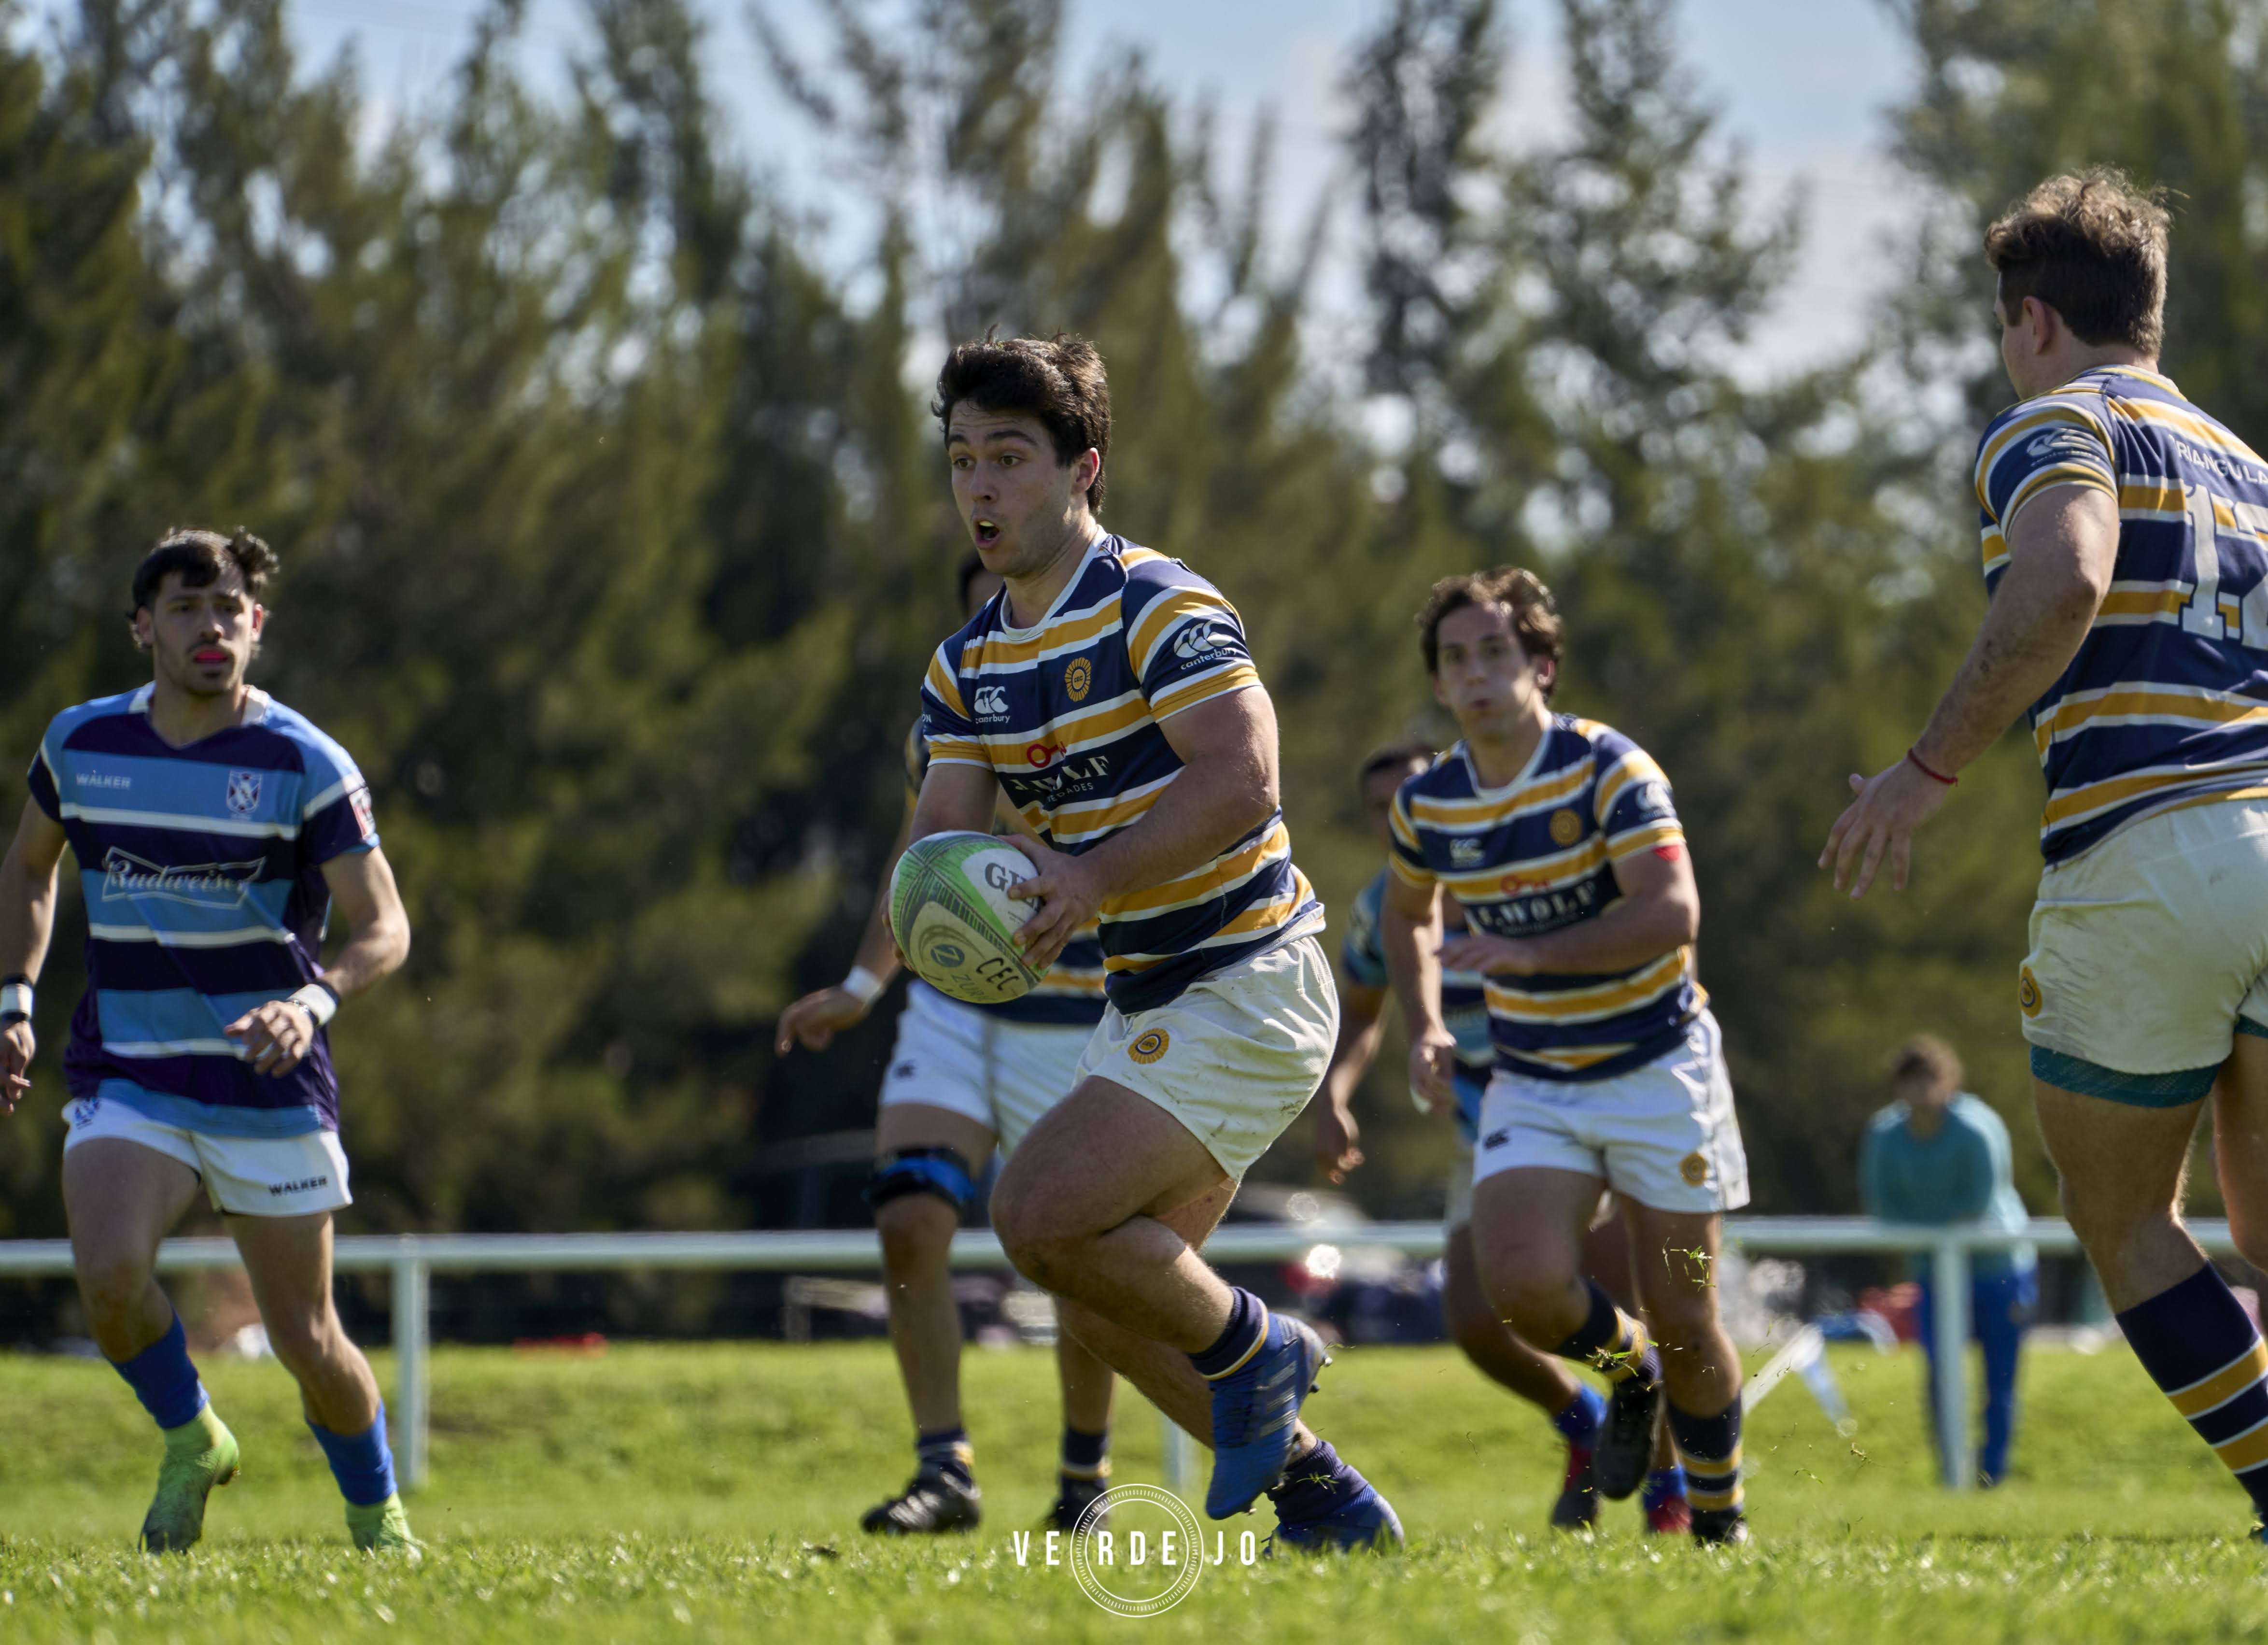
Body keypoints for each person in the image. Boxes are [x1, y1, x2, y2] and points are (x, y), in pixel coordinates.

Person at [1821, 169, 2268, 1537]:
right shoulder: (2252, 466)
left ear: (2031, 322)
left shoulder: (2051, 425)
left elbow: (2067, 575)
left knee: (2128, 1218)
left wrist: (1925, 768)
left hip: (2147, 851)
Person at [911, 332, 1401, 1550]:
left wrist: (1085, 875)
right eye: (964, 459)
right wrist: (955, 925)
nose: (980, 487)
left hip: (1249, 975)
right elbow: (937, 856)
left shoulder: (1154, 602)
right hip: (1152, 998)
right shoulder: (967, 664)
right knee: (1099, 1290)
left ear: (1085, 468)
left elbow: (1244, 778)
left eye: (1011, 458)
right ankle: (1329, 1504)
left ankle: (1264, 1343)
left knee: (1035, 1215)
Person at [0, 529, 416, 1555]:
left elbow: (386, 927)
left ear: (257, 627)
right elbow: (28, 869)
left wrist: (310, 1003)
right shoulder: (82, 744)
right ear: (144, 627)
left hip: (266, 1080)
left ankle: (380, 1519)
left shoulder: (303, 761)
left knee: (307, 1341)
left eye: (230, 608)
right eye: (186, 608)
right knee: (106, 1273)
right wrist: (13, 995)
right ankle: (194, 1437)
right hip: (132, 1070)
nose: (211, 626)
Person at [1381, 567, 1752, 1546]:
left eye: (1493, 651)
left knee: (1683, 1309)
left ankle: (1715, 1515)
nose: (1474, 673)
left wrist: (1529, 953)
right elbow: (1404, 910)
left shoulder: (1608, 769)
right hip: (1534, 1078)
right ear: (1436, 685)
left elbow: (1674, 913)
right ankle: (1627, 1381)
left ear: (1538, 664)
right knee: (1519, 1285)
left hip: (1657, 1067)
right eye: (1453, 659)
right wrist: (1422, 1022)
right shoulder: (1428, 804)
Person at [775, 551, 1118, 1536]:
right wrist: (859, 984)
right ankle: (944, 1467)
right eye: (983, 616)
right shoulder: (955, 703)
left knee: (1076, 1253)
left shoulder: (1121, 704)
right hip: (957, 1009)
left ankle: (1082, 1476)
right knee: (908, 1211)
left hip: (1080, 1020)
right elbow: (919, 860)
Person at [1320, 742, 1691, 1533]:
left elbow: (1648, 944)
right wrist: (1335, 1096)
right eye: (1383, 806)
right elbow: (1360, 1013)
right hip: (1484, 1131)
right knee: (1476, 1316)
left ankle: (1670, 1497)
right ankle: (1583, 1421)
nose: (1402, 813)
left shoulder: (1519, 872)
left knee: (1622, 1305)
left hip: (1590, 1108)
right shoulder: (1381, 905)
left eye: (1412, 792)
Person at [1860, 1036, 2035, 1486]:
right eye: (1910, 1082)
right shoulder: (1883, 1134)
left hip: (2000, 1270)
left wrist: (1924, 1226)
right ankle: (1950, 1472)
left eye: (1929, 1080)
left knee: (1999, 1380)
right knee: (1940, 1377)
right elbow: (1882, 1205)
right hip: (1934, 1274)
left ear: (1949, 1081)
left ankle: (1991, 1475)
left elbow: (1976, 1203)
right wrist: (1932, 1231)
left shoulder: (1976, 1130)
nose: (1920, 1092)